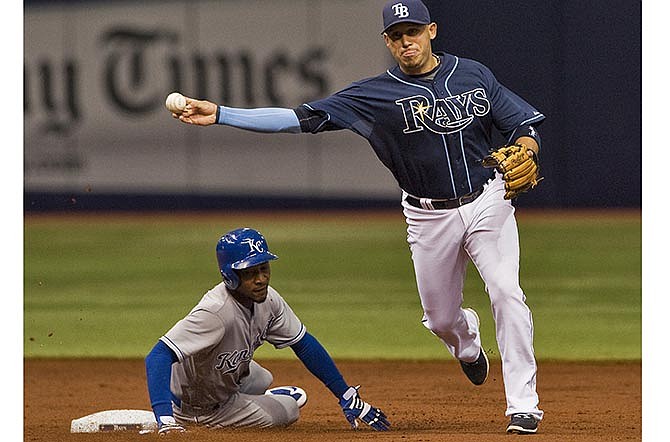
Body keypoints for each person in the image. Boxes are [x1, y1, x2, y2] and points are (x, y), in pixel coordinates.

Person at [169, 0, 544, 434]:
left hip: (487, 200)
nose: (407, 41)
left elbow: (524, 125)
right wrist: (220, 114)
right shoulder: (374, 95)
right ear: (387, 41)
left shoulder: (473, 74)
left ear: (432, 31)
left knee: (505, 291)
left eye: (415, 31)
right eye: (398, 35)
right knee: (440, 318)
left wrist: (529, 149)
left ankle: (523, 405)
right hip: (427, 215)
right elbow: (296, 119)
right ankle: (465, 341)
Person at [145, 227, 390, 434]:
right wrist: (166, 419)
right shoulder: (215, 312)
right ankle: (240, 406)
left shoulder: (269, 300)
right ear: (230, 276)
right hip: (195, 406)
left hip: (219, 374)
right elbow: (158, 355)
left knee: (262, 377)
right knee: (290, 410)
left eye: (264, 269)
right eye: (250, 273)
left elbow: (304, 344)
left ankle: (252, 397)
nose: (261, 279)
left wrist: (345, 394)